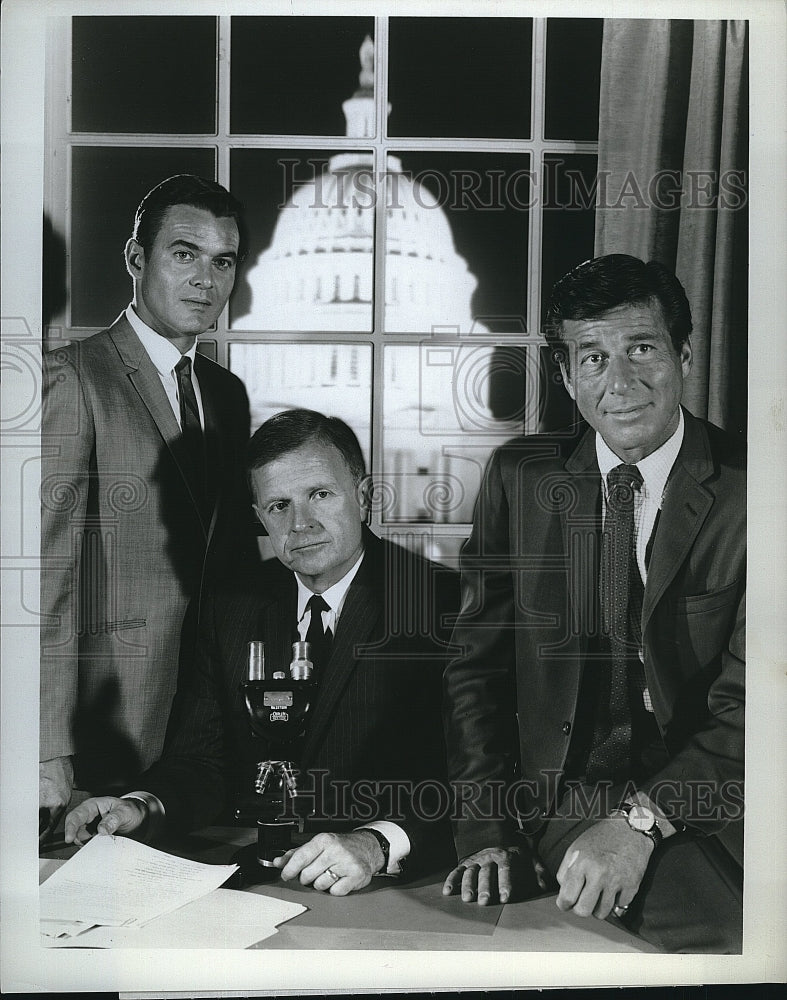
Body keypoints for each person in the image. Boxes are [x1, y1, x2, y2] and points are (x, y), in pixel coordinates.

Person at [442, 254, 745, 953]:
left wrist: (642, 822)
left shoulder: (754, 489)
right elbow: (474, 675)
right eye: (591, 358)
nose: (619, 383)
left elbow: (759, 707)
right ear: (564, 374)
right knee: (716, 935)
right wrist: (486, 830)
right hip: (570, 792)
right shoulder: (520, 479)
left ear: (685, 355)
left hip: (719, 786)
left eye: (641, 348)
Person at [64, 409, 459, 895]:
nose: (301, 523)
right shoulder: (228, 606)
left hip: (394, 884)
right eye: (278, 506)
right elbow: (200, 759)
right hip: (256, 873)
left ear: (363, 497)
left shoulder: (446, 604)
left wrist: (378, 842)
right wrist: (143, 805)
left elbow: (479, 780)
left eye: (319, 494)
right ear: (259, 518)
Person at [40, 174, 258, 837]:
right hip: (107, 731)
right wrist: (46, 751)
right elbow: (44, 582)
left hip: (207, 734)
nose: (206, 280)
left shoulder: (226, 393)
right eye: (184, 254)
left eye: (223, 262)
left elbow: (232, 562)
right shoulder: (74, 379)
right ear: (136, 260)